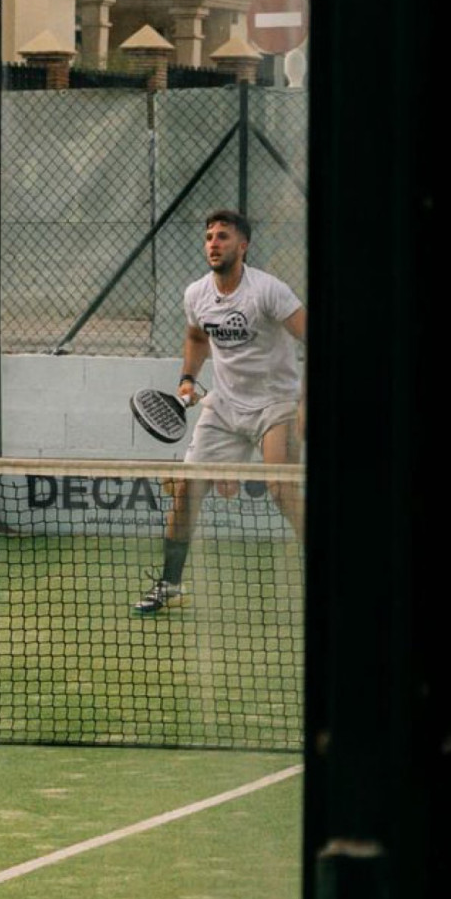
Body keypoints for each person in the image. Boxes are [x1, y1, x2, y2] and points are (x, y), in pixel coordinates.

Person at [134, 208, 307, 616]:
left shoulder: (269, 291)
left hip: (276, 403)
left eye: (223, 236)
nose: (214, 243)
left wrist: (304, 404)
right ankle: (169, 583)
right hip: (224, 406)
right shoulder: (197, 294)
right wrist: (188, 378)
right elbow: (197, 337)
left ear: (243, 246)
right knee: (186, 490)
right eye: (209, 236)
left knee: (282, 490)